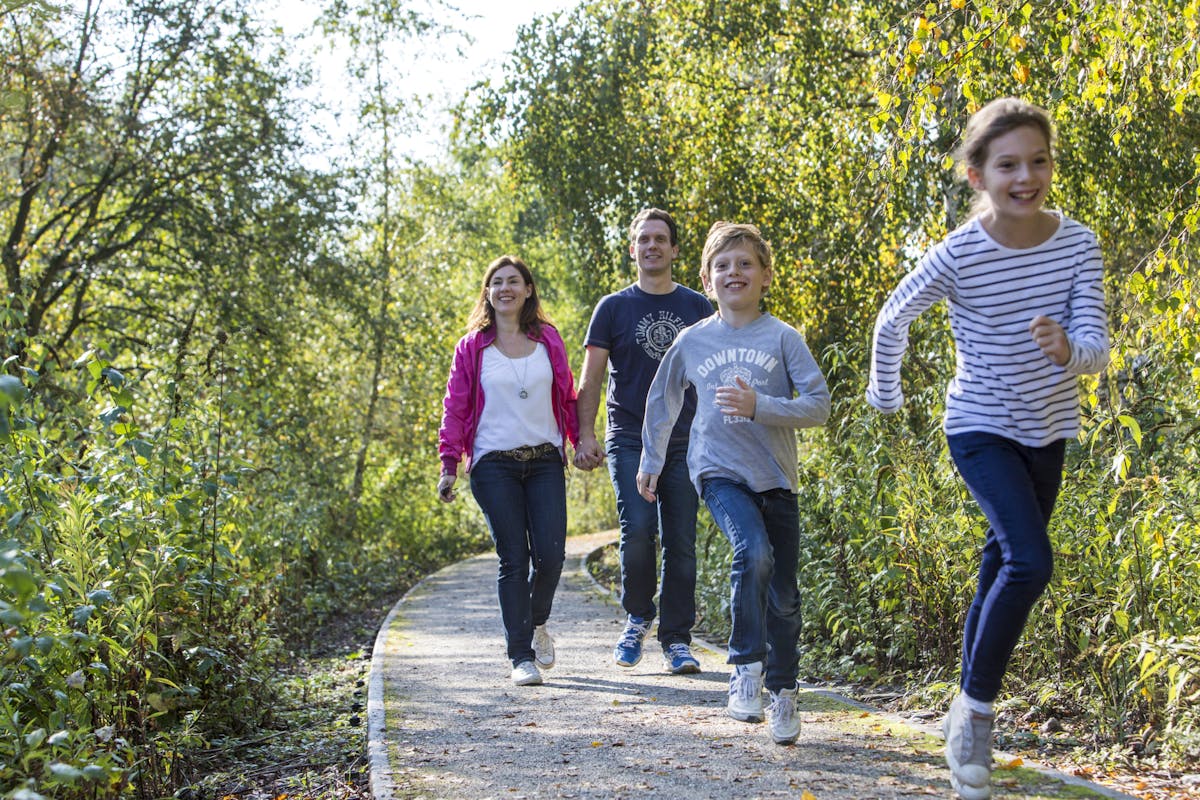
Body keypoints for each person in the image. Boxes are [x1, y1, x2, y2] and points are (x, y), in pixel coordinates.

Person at [866, 98, 1110, 800]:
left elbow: (1094, 342)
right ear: (978, 175)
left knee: (1001, 562)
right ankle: (975, 713)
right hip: (977, 426)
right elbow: (893, 319)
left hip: (1049, 428)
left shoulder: (1077, 243)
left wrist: (1071, 349)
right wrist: (887, 397)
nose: (1025, 176)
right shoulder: (960, 254)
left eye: (1038, 161)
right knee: (1031, 562)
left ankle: (962, 706)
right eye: (1008, 165)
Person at [637, 222, 831, 745]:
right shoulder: (694, 340)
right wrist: (652, 458)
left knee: (785, 596)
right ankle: (745, 667)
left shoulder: (783, 337)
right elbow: (663, 400)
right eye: (723, 265)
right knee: (754, 551)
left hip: (777, 477)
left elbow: (819, 405)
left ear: (766, 276)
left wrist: (761, 406)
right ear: (706, 278)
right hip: (717, 471)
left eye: (745, 264)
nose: (734, 273)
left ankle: (784, 691)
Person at [573, 208, 715, 674]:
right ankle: (637, 617)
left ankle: (676, 640)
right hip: (631, 435)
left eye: (661, 239)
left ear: (675, 249)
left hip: (685, 438)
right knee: (637, 530)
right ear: (632, 249)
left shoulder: (698, 307)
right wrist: (585, 434)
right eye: (643, 239)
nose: (652, 246)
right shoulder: (613, 308)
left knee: (681, 540)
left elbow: (715, 373)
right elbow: (591, 378)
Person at [437, 255, 581, 687]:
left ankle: (536, 622)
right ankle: (520, 655)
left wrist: (580, 441)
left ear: (528, 290)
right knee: (513, 558)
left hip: (544, 461)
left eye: (513, 281)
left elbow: (568, 396)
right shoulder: (471, 347)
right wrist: (449, 464)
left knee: (552, 556)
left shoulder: (549, 340)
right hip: (493, 465)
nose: (505, 288)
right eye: (496, 282)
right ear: (487, 293)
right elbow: (455, 408)